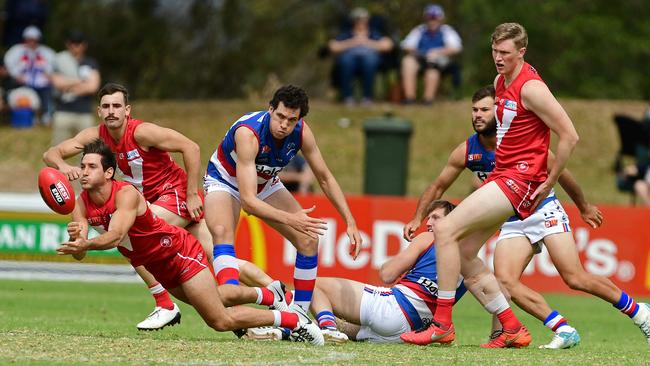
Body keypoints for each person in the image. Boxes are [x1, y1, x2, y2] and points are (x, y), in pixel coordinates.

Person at [402, 23, 650, 348]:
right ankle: (511, 327)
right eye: (494, 52)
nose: (498, 58)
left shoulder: (532, 88)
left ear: (522, 52)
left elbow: (570, 135)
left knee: (447, 230)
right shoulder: (498, 83)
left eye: (505, 53)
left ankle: (442, 324)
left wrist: (549, 183)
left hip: (521, 182)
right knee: (467, 254)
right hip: (505, 180)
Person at [56, 139, 324, 346]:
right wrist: (76, 240)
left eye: (91, 167)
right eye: (82, 166)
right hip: (159, 267)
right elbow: (79, 253)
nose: (84, 172)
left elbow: (115, 236)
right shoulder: (79, 205)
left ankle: (293, 320)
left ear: (109, 172)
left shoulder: (126, 194)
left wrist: (86, 244)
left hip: (177, 252)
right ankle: (269, 294)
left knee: (220, 320)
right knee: (219, 300)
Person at [43, 83, 212, 331]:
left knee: (128, 234)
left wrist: (192, 194)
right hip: (148, 204)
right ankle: (273, 297)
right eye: (106, 106)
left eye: (117, 106)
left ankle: (164, 303)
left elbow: (191, 147)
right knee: (220, 259)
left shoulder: (142, 133)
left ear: (127, 110)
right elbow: (51, 152)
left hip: (174, 196)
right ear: (99, 111)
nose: (111, 111)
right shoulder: (97, 136)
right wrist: (63, 166)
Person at [204, 84, 362, 313]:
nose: (284, 125)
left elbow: (325, 178)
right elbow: (248, 201)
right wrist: (291, 219)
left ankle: (298, 316)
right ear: (270, 109)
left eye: (291, 120)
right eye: (280, 116)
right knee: (221, 232)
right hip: (225, 179)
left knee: (308, 239)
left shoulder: (302, 133)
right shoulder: (248, 134)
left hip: (265, 180)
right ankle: (238, 298)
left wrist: (350, 221)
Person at [308, 200, 466, 343]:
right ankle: (289, 329)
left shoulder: (428, 238)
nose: (429, 222)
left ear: (450, 222)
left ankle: (328, 329)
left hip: (394, 308)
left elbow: (386, 274)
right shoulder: (470, 259)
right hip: (412, 330)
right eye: (429, 218)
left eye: (436, 217)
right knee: (337, 326)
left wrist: (410, 254)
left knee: (315, 285)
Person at [327, 7, 393, 106]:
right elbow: (333, 46)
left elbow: (388, 45)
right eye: (357, 19)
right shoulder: (347, 34)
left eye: (363, 19)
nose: (360, 22)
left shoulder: (373, 33)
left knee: (369, 61)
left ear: (367, 20)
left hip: (370, 59)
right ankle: (347, 97)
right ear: (353, 21)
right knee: (346, 61)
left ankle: (367, 97)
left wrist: (367, 42)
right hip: (350, 59)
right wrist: (353, 42)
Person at [400, 4, 462, 105]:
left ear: (441, 19)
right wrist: (421, 53)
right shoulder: (419, 30)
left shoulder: (447, 31)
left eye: (435, 18)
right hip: (420, 59)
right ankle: (410, 98)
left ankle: (428, 99)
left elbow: (456, 48)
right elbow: (406, 45)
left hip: (438, 62)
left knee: (432, 69)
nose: (432, 21)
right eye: (430, 18)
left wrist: (437, 52)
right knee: (407, 62)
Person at [50, 30, 101, 145]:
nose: (75, 46)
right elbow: (57, 83)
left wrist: (68, 85)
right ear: (67, 44)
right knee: (57, 148)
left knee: (88, 149)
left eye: (78, 43)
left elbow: (93, 87)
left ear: (84, 45)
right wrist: (81, 81)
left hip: (84, 112)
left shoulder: (90, 62)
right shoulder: (59, 60)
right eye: (72, 42)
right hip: (62, 111)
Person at [4, 25, 55, 125]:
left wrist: (49, 75)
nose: (32, 42)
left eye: (34, 40)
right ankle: (27, 118)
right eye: (29, 39)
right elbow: (9, 66)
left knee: (48, 94)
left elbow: (52, 66)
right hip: (22, 83)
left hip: (42, 84)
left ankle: (47, 116)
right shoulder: (16, 50)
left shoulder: (46, 52)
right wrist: (16, 75)